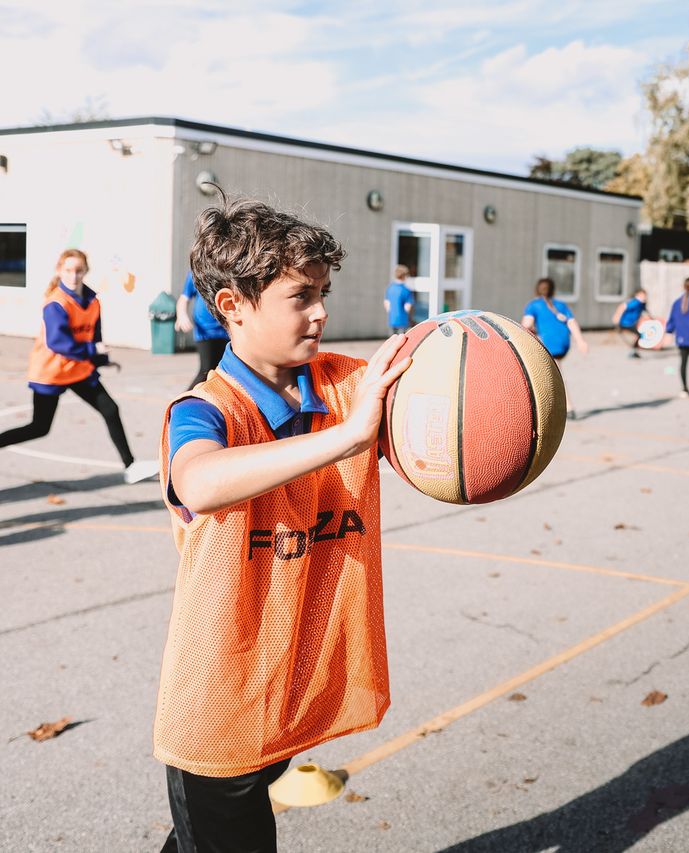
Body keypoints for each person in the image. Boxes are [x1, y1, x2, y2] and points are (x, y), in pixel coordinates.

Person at [154, 196, 411, 853]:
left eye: (323, 292)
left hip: (292, 689)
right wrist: (351, 436)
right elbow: (200, 480)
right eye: (300, 295)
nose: (321, 311)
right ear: (233, 306)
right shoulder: (207, 408)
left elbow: (436, 380)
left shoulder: (339, 384)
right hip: (221, 707)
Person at [0, 249, 159, 484]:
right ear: (59, 271)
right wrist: (93, 352)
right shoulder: (56, 303)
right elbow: (58, 342)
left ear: (86, 271)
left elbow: (95, 338)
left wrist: (102, 359)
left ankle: (131, 466)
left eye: (78, 270)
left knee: (110, 409)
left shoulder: (93, 301)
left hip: (78, 369)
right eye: (68, 270)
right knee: (40, 427)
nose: (73, 276)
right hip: (51, 372)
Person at [522, 277, 588, 419]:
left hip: (550, 343)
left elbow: (526, 325)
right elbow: (571, 322)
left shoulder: (533, 305)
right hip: (564, 342)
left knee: (554, 374)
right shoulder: (561, 305)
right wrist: (580, 341)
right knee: (551, 370)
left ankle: (568, 407)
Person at [175, 269, 230, 390]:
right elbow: (183, 299)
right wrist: (182, 316)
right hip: (205, 333)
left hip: (226, 332)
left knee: (223, 373)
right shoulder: (196, 273)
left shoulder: (227, 271)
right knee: (206, 370)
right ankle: (183, 401)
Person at [611, 288, 651, 357]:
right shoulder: (635, 302)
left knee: (638, 335)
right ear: (637, 295)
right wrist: (616, 317)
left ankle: (634, 350)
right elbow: (622, 306)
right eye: (642, 295)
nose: (644, 297)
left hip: (633, 323)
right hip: (626, 323)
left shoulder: (642, 304)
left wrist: (652, 318)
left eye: (645, 295)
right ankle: (633, 351)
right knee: (639, 335)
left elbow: (646, 312)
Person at [384, 264, 414, 334]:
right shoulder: (406, 290)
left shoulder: (390, 288)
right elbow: (408, 308)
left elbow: (387, 304)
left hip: (392, 320)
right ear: (404, 276)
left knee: (393, 342)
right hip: (403, 321)